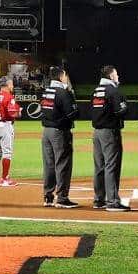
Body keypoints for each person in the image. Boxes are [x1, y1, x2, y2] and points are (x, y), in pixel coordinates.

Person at [38, 66, 78, 207]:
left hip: (46, 132)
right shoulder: (62, 92)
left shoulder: (46, 92)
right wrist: (70, 94)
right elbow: (73, 113)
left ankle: (48, 197)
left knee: (49, 165)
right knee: (63, 164)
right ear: (61, 77)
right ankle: (62, 198)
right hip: (59, 132)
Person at [89, 66, 127, 210]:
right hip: (110, 132)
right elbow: (120, 111)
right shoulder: (113, 91)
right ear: (111, 76)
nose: (118, 76)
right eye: (116, 74)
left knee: (99, 166)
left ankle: (99, 199)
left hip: (97, 132)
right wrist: (125, 106)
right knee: (112, 165)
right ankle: (112, 201)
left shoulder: (96, 90)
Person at [0, 76, 21, 187]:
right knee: (7, 153)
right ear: (8, 84)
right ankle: (5, 179)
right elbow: (12, 112)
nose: (12, 86)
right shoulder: (8, 96)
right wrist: (18, 112)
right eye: (11, 84)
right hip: (5, 124)